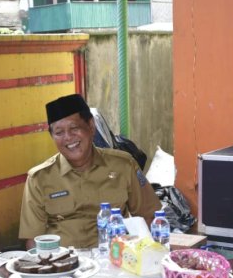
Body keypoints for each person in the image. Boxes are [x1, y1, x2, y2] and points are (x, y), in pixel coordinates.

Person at [18, 93, 162, 249]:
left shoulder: (123, 166)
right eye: (59, 132)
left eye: (74, 128)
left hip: (114, 260)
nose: (68, 137)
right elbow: (33, 241)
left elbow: (150, 216)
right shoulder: (39, 178)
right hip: (63, 264)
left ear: (91, 126)